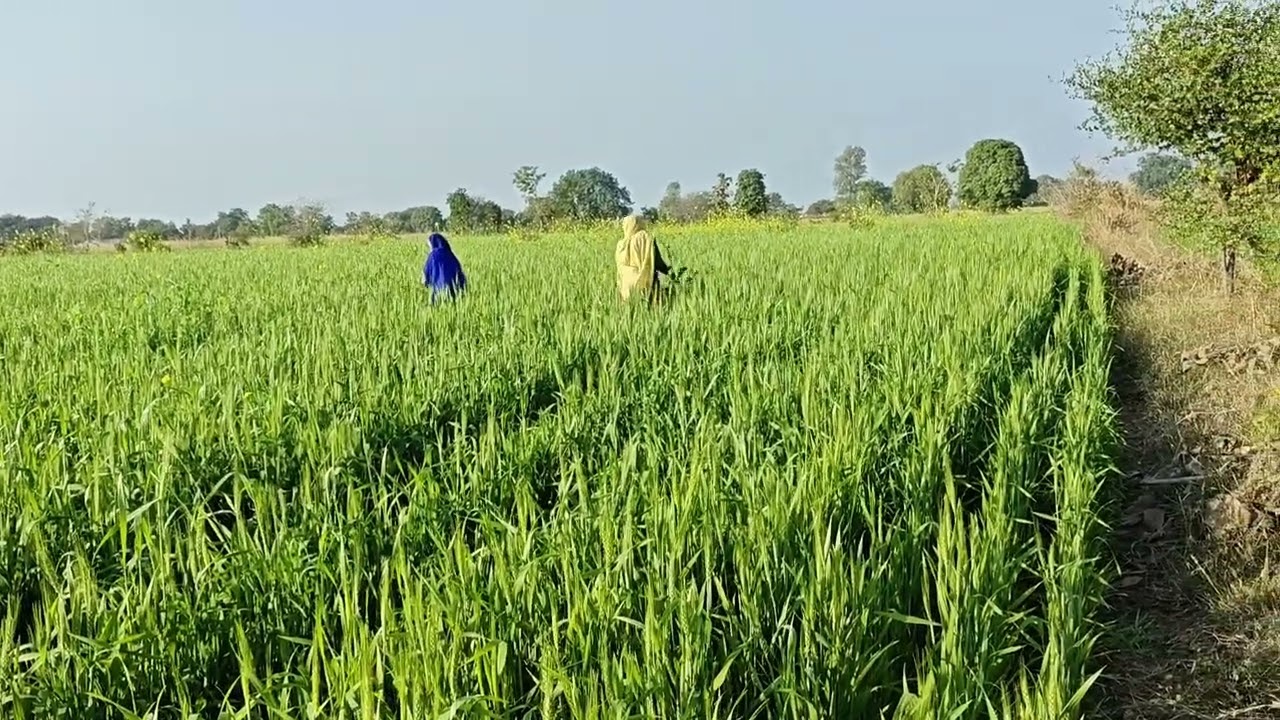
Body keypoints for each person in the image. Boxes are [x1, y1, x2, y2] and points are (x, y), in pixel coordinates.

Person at [615, 215, 670, 303]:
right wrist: (669, 272)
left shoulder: (621, 244)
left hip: (626, 282)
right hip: (644, 279)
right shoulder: (645, 238)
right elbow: (657, 261)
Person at [423, 232, 467, 303]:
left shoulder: (433, 256)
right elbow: (459, 271)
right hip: (453, 289)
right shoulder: (451, 255)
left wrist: (426, 283)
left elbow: (427, 272)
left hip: (438, 290)